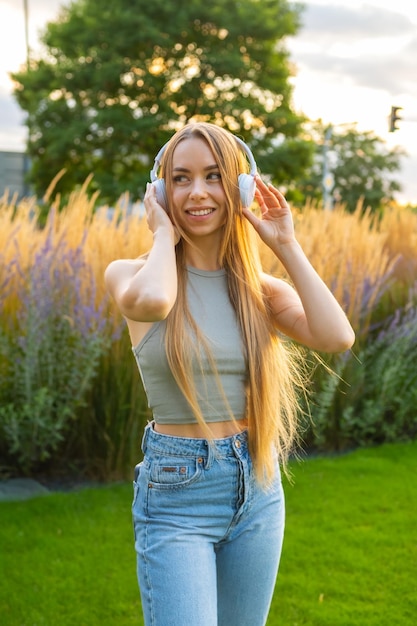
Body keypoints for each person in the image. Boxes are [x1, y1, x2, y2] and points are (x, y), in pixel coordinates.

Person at [104, 122, 355, 626]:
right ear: (159, 191)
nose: (197, 192)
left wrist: (285, 244)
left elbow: (337, 336)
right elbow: (153, 302)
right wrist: (161, 234)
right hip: (177, 492)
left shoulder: (259, 291)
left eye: (214, 176)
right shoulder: (131, 273)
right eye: (180, 178)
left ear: (240, 188)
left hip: (258, 486)